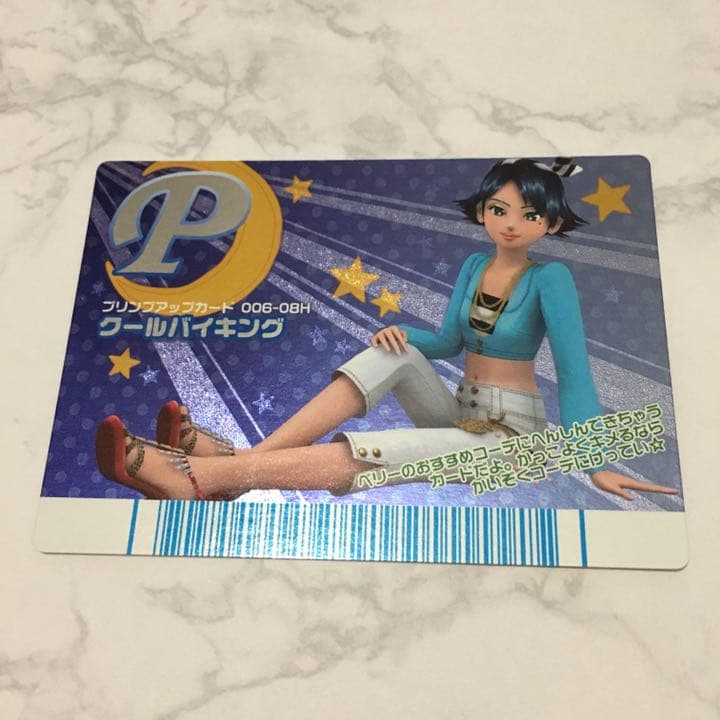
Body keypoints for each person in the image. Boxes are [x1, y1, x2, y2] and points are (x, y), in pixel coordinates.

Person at [95, 158, 677, 502]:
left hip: (510, 441)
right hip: (461, 412)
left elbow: (575, 377)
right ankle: (238, 469)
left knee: (381, 451)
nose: (511, 224)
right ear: (482, 211)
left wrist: (596, 461)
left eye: (530, 215)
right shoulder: (475, 265)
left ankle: (205, 475)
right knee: (387, 355)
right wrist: (402, 334)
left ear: (549, 223)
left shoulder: (551, 279)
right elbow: (448, 343)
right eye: (499, 210)